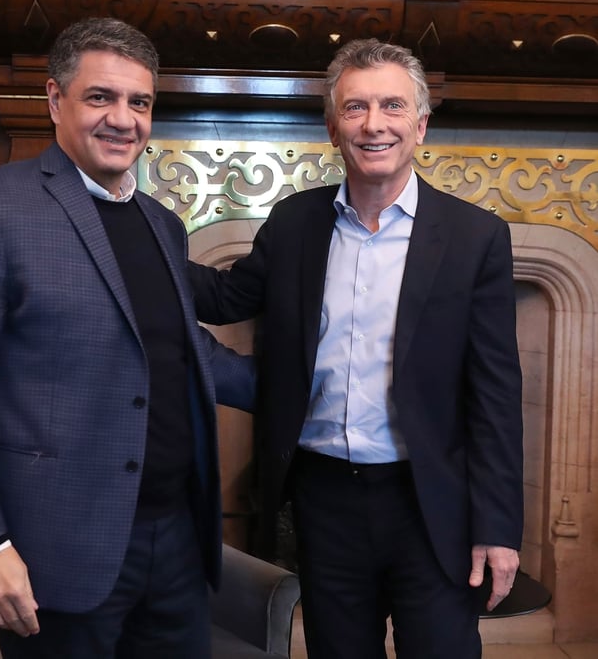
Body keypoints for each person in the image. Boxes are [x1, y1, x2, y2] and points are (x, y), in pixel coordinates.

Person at [0, 17, 254, 659]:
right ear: (54, 100)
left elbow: (179, 352)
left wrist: (314, 388)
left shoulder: (161, 223)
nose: (122, 118)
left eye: (139, 102)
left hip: (177, 543)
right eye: (101, 97)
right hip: (57, 552)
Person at [188, 38, 523, 658]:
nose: (375, 125)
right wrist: (133, 234)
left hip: (431, 505)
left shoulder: (476, 238)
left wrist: (499, 528)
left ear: (420, 125)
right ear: (332, 127)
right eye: (356, 108)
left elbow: (497, 396)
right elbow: (225, 299)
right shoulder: (294, 225)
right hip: (324, 502)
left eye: (392, 107)